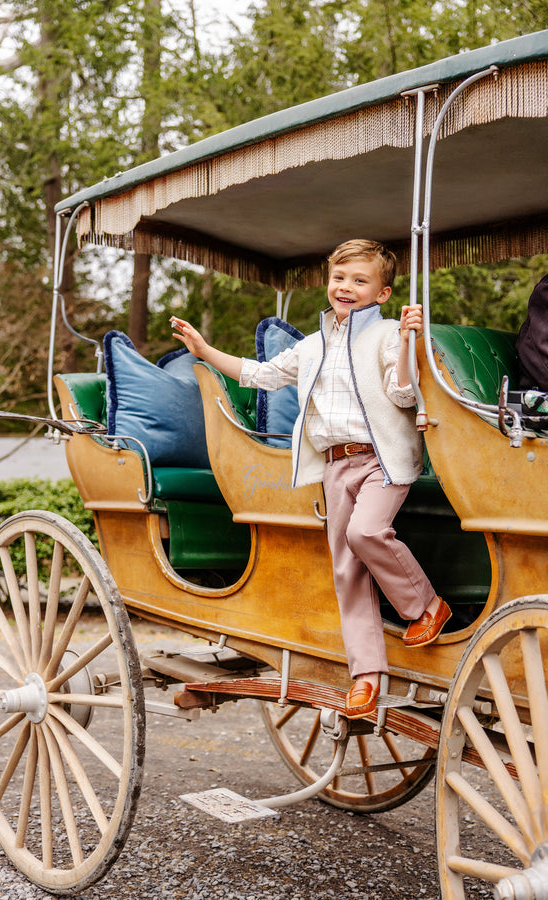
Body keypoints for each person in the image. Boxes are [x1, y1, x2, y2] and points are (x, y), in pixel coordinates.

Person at [170, 239, 451, 719]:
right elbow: (259, 374)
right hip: (336, 465)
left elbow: (404, 396)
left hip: (384, 460)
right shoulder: (314, 345)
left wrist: (407, 341)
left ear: (381, 294)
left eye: (360, 281)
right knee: (346, 571)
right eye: (340, 278)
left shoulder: (386, 335)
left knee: (367, 533)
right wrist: (204, 350)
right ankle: (367, 676)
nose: (347, 287)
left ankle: (425, 606)